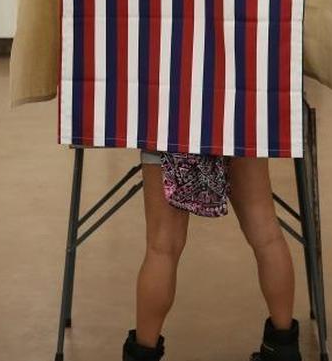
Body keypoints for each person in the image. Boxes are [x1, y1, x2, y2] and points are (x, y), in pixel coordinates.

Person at [122, 153, 302, 361]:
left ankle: (142, 355)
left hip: (169, 136)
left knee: (162, 249)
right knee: (267, 239)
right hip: (237, 133)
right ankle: (282, 350)